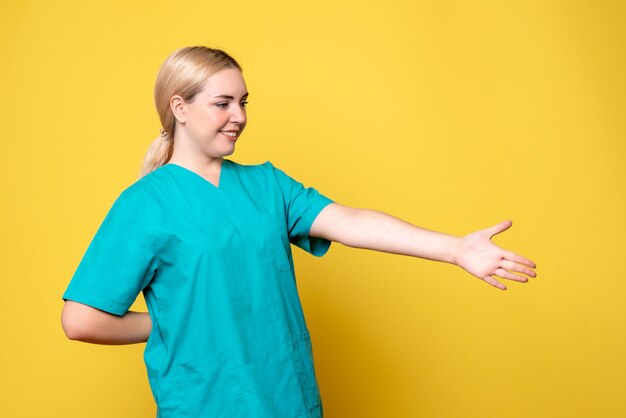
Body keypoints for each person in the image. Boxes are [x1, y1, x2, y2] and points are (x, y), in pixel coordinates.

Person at [61, 46, 537, 418]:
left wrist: (455, 249)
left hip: (287, 398)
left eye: (243, 102)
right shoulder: (146, 204)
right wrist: (170, 323)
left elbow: (350, 222)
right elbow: (81, 319)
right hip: (206, 404)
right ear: (179, 107)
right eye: (223, 103)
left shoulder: (266, 184)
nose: (240, 116)